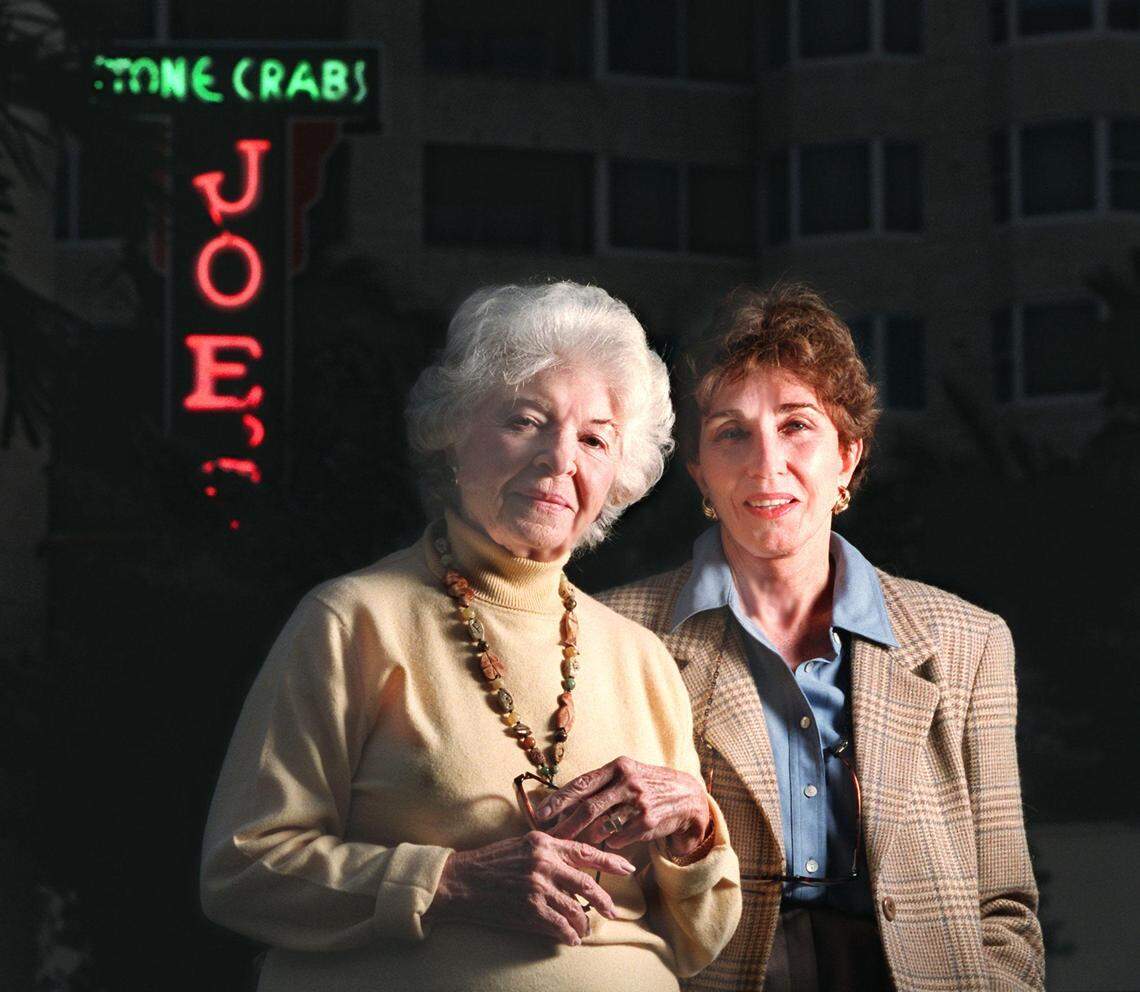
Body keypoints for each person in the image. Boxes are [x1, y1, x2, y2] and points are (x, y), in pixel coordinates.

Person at [200, 281, 742, 992]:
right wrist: (447, 881)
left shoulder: (642, 657)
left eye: (594, 438)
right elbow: (243, 870)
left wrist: (693, 833)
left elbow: (700, 939)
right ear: (456, 432)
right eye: (526, 420)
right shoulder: (352, 619)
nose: (559, 458)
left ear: (619, 474)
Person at [601, 284, 1044, 992]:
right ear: (699, 473)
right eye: (732, 432)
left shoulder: (969, 642)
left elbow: (1006, 905)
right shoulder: (612, 634)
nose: (765, 463)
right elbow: (602, 894)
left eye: (797, 425)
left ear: (847, 457)